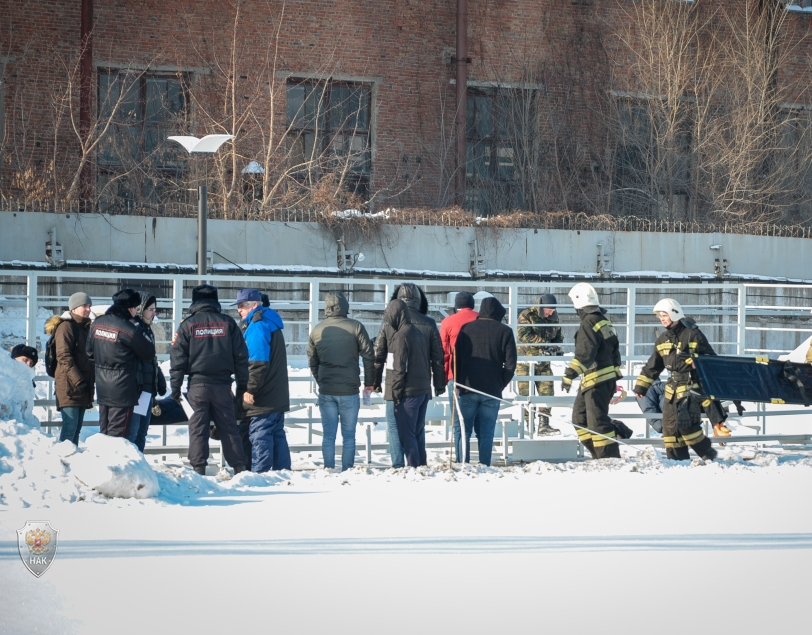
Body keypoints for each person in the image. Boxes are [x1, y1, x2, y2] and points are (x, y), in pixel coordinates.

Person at [169, 284, 248, 475]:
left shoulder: (187, 325)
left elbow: (177, 360)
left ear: (195, 302)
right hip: (223, 386)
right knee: (229, 427)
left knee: (198, 428)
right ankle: (239, 467)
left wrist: (176, 388)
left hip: (197, 386)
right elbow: (241, 358)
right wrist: (242, 387)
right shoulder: (229, 324)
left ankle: (199, 468)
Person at [633, 298, 718, 461]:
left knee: (687, 426)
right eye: (660, 317)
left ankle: (708, 454)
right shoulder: (663, 339)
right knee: (670, 429)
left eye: (664, 315)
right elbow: (653, 365)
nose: (662, 319)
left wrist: (698, 362)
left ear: (674, 314)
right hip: (671, 391)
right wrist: (641, 387)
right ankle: (677, 462)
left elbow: (711, 359)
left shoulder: (693, 334)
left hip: (690, 390)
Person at [374, 283, 445, 468]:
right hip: (421, 386)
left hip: (394, 385)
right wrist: (439, 383)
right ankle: (419, 466)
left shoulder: (390, 323)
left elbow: (378, 353)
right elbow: (438, 357)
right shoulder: (429, 323)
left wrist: (375, 380)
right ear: (419, 299)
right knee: (418, 429)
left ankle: (399, 466)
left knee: (395, 428)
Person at [307, 291, 375, 471]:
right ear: (345, 306)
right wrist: (370, 382)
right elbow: (368, 355)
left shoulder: (317, 330)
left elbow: (312, 360)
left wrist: (321, 379)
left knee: (328, 435)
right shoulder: (356, 327)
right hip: (349, 390)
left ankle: (328, 468)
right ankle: (348, 469)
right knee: (349, 435)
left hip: (327, 390)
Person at [561, 283, 624, 459]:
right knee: (580, 419)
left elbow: (585, 353)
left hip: (597, 380)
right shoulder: (603, 321)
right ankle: (598, 456)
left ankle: (609, 460)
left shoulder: (588, 323)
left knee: (597, 422)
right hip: (595, 381)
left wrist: (569, 374)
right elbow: (615, 352)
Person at [454, 297, 517, 466]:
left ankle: (463, 465)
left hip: (467, 388)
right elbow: (511, 364)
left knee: (463, 431)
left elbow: (456, 359)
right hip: (491, 391)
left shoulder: (466, 328)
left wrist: (459, 382)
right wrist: (500, 383)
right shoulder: (505, 331)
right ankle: (484, 466)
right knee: (487, 432)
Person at [234, 288, 292, 472]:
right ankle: (283, 474)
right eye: (238, 306)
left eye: (242, 305)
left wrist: (250, 390)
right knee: (277, 435)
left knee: (260, 436)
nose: (239, 310)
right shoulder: (270, 322)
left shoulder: (257, 327)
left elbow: (257, 364)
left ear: (255, 305)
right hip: (277, 394)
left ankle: (261, 477)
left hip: (263, 397)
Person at [87, 289, 156, 439]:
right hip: (124, 389)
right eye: (136, 308)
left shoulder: (97, 324)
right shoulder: (129, 328)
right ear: (131, 308)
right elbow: (149, 353)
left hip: (103, 387)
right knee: (119, 436)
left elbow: (89, 353)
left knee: (104, 431)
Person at [383, 298, 433, 467]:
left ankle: (413, 468)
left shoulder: (400, 336)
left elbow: (399, 368)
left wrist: (395, 394)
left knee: (407, 434)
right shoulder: (417, 333)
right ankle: (421, 466)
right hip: (423, 390)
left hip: (409, 393)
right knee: (417, 432)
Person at [44, 292, 95, 445]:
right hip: (70, 387)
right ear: (73, 308)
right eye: (84, 306)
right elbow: (64, 357)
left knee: (77, 429)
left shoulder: (85, 328)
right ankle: (62, 462)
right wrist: (79, 381)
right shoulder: (66, 327)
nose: (88, 309)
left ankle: (71, 464)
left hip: (82, 386)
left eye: (89, 306)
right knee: (70, 428)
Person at [516, 293, 564, 436]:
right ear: (541, 308)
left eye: (552, 311)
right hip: (525, 363)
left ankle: (544, 424)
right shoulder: (527, 315)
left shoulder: (554, 319)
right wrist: (544, 344)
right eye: (548, 311)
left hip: (544, 364)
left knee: (547, 393)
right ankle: (527, 424)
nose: (550, 314)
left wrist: (555, 348)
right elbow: (523, 336)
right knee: (526, 396)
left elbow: (558, 336)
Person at [439, 291, 478, 462]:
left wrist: (445, 376)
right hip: (480, 376)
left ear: (456, 305)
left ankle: (462, 459)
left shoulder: (448, 322)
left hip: (456, 377)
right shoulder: (480, 318)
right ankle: (484, 460)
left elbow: (444, 353)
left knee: (459, 423)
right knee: (481, 423)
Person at [128, 293, 167, 452]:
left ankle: (141, 468)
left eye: (155, 309)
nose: (154, 313)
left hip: (147, 391)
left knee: (142, 433)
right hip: (137, 391)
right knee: (133, 432)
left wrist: (157, 381)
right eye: (150, 309)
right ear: (140, 309)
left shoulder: (148, 329)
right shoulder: (134, 329)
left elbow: (151, 359)